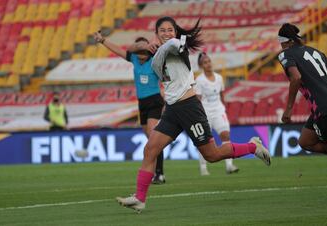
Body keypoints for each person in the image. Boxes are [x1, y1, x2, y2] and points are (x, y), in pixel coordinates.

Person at [116, 16, 271, 213]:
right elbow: (134, 50)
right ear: (155, 34)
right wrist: (149, 46)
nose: (166, 34)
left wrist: (161, 43)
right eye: (161, 30)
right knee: (150, 150)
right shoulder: (155, 58)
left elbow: (172, 43)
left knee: (212, 155)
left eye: (170, 30)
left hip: (189, 107)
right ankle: (140, 198)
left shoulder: (177, 46)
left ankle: (252, 146)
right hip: (172, 110)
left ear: (175, 32)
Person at [277, 23, 327, 187]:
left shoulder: (285, 55)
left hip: (324, 109)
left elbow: (296, 78)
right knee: (305, 141)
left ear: (285, 42)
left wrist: (289, 109)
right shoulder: (314, 52)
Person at [93, 32, 166, 184]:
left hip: (155, 101)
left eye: (144, 52)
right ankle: (154, 172)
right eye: (138, 52)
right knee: (150, 140)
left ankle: (159, 174)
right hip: (142, 104)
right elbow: (117, 50)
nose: (141, 55)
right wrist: (103, 40)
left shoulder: (155, 60)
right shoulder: (133, 59)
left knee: (153, 138)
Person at [195, 52, 239, 175]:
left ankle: (229, 166)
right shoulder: (199, 80)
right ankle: (203, 168)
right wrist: (199, 115)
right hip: (205, 113)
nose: (208, 64)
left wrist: (224, 108)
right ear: (201, 66)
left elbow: (222, 95)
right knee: (204, 141)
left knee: (225, 135)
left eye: (209, 61)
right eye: (205, 62)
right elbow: (197, 100)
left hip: (219, 111)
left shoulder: (219, 78)